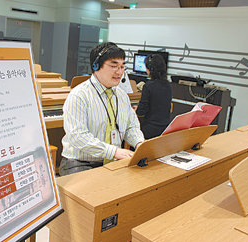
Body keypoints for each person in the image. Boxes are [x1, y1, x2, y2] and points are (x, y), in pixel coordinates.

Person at [59, 42, 144, 176]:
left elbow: (131, 127)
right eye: (114, 66)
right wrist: (114, 151)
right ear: (96, 66)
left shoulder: (122, 95)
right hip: (80, 162)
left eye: (122, 67)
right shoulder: (79, 95)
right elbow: (78, 137)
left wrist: (140, 144)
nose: (120, 72)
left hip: (112, 160)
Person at [136, 54, 172, 139]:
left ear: (149, 70)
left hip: (150, 130)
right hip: (165, 128)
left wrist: (136, 109)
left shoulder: (148, 86)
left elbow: (141, 111)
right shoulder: (168, 85)